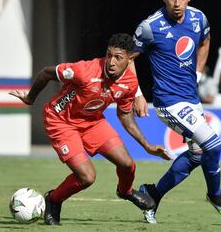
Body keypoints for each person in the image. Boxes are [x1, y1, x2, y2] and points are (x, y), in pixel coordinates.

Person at [9, 33, 171, 225]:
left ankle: (125, 191)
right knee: (87, 177)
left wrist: (147, 146)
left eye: (118, 57)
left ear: (130, 59)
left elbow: (125, 115)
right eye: (109, 55)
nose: (111, 61)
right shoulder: (84, 71)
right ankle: (53, 200)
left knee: (128, 164)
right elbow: (46, 73)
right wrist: (30, 99)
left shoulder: (129, 83)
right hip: (60, 121)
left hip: (92, 121)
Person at [132, 0, 221, 223]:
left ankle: (152, 195)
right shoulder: (150, 27)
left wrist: (198, 73)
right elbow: (128, 59)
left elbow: (205, 40)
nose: (177, 3)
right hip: (168, 102)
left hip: (191, 99)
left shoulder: (198, 18)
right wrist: (137, 93)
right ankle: (215, 194)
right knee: (212, 143)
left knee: (197, 155)